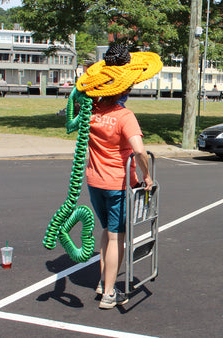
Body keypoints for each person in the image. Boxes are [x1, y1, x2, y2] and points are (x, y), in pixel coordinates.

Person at [76, 44, 162, 309]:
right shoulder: (125, 116)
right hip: (117, 184)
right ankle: (109, 293)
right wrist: (146, 176)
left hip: (94, 182)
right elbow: (139, 150)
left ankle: (104, 281)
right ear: (125, 89)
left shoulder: (89, 114)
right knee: (117, 237)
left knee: (107, 233)